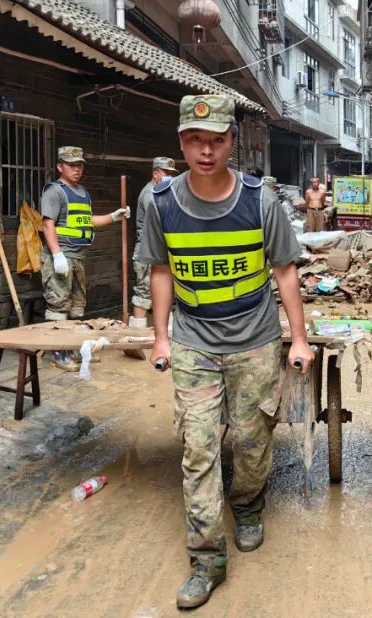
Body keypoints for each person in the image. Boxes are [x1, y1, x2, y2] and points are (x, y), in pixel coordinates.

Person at [142, 95, 313, 610]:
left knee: (251, 438)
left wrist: (298, 338)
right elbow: (161, 270)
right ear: (181, 144)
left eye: (216, 140)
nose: (206, 150)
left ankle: (248, 506)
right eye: (196, 140)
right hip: (194, 341)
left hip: (255, 341)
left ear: (231, 143)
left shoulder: (261, 201)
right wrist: (161, 337)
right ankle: (206, 558)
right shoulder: (161, 203)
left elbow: (285, 271)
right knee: (197, 448)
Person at [40, 146, 130, 371]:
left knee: (77, 307)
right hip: (61, 257)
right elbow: (47, 225)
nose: (76, 169)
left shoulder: (82, 192)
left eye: (79, 165)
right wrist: (56, 254)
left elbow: (87, 221)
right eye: (71, 165)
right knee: (58, 305)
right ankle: (56, 352)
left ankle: (70, 348)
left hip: (78, 258)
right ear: (60, 167)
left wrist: (112, 217)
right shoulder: (55, 191)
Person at [130, 157, 179, 329]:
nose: (170, 177)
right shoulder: (150, 193)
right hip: (147, 250)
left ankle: (169, 333)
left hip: (161, 250)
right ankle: (137, 335)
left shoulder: (162, 192)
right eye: (166, 173)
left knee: (166, 291)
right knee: (144, 293)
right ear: (155, 174)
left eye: (172, 174)